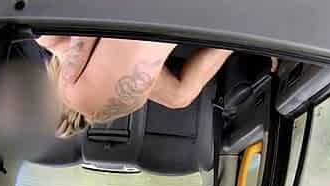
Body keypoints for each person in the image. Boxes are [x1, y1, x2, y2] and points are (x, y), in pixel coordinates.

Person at [36, 36, 234, 138]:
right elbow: (88, 24)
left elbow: (180, 96)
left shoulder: (120, 95)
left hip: (182, 11)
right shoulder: (73, 89)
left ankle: (237, 33)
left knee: (178, 98)